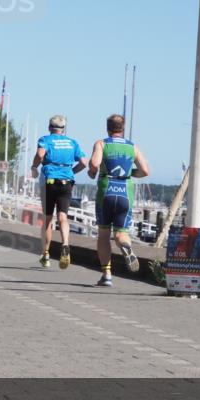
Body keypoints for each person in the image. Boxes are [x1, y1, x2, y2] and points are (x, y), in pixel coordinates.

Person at [87, 114, 150, 286]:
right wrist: (130, 173)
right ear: (123, 128)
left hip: (106, 191)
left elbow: (94, 164)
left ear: (108, 128)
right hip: (125, 192)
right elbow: (145, 170)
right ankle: (126, 246)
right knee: (121, 233)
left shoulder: (101, 143)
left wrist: (92, 171)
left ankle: (106, 274)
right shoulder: (132, 147)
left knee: (104, 233)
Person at [31, 115, 87, 269]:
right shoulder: (72, 142)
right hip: (66, 181)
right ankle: (66, 244)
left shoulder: (46, 139)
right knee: (63, 217)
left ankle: (46, 255)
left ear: (50, 127)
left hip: (50, 181)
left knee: (48, 219)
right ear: (64, 129)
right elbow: (83, 162)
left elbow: (40, 154)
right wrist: (71, 172)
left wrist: (34, 167)